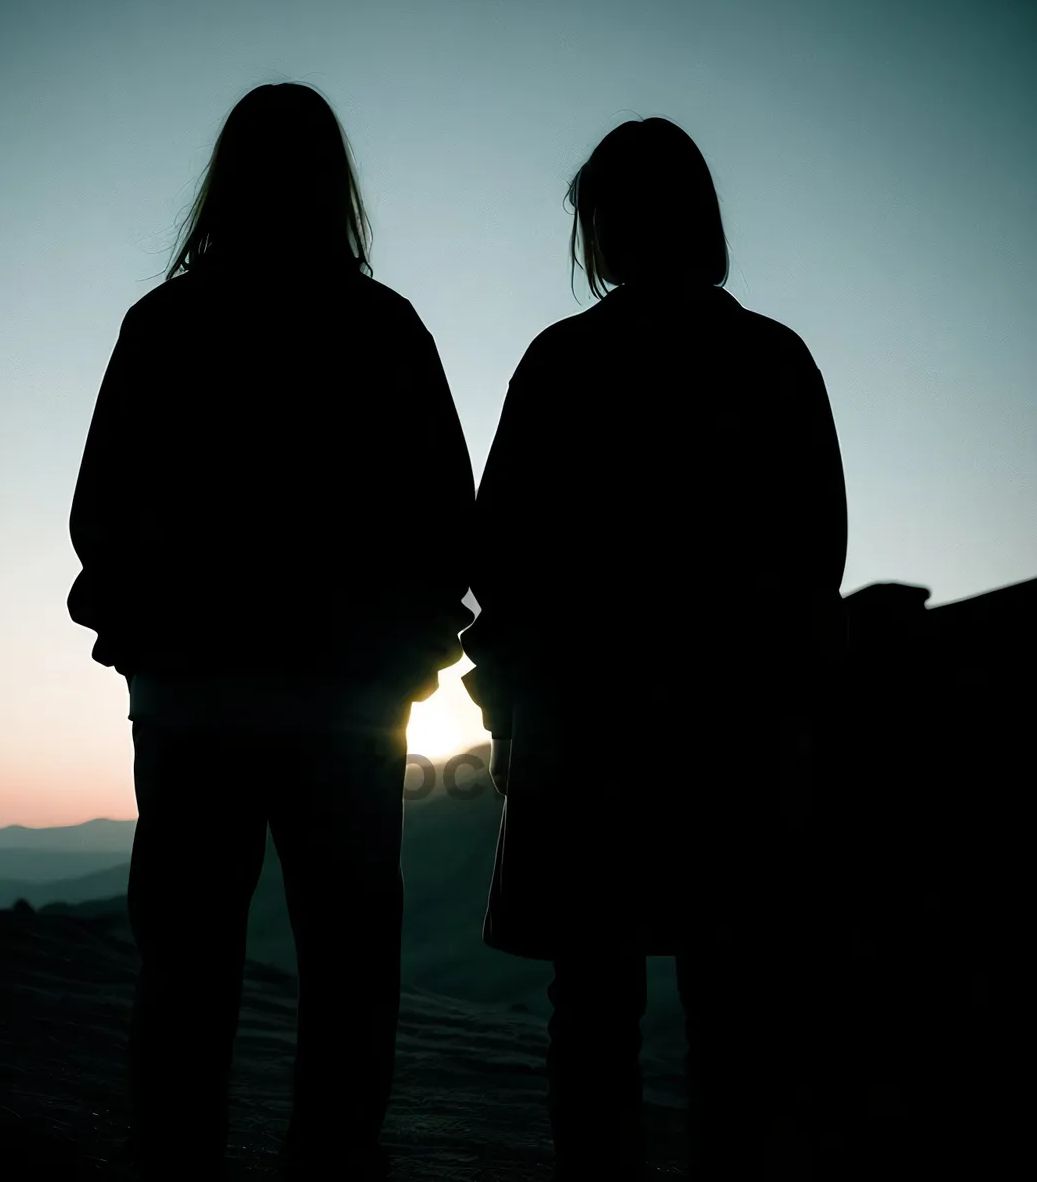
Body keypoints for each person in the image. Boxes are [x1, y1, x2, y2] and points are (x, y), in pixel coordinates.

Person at [67, 82, 475, 1180]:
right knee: (350, 955)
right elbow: (450, 520)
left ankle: (176, 1160)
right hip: (347, 704)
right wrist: (405, 640)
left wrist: (150, 623)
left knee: (186, 956)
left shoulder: (166, 325)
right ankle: (333, 1165)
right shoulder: (380, 328)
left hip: (193, 698)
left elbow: (97, 513)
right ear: (333, 183)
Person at [461, 116, 848, 1179]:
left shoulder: (563, 363)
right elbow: (819, 559)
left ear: (604, 227)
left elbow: (495, 551)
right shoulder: (773, 360)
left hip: (585, 737)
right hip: (738, 734)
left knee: (592, 1011)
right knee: (733, 1013)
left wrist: (526, 684)